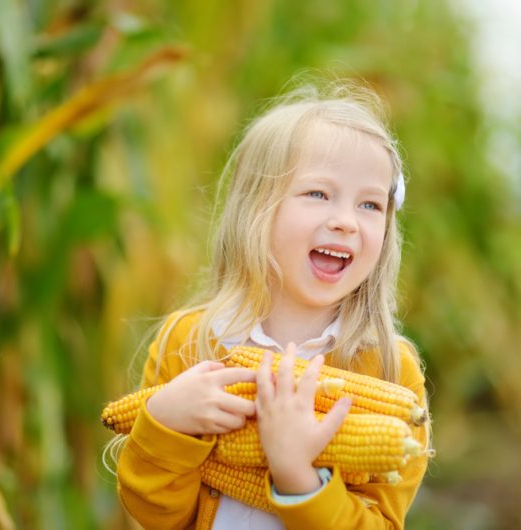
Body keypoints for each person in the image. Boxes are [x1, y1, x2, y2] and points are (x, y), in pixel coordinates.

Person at [111, 79, 430, 529]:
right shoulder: (188, 343)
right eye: (318, 194)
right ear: (256, 208)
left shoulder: (391, 370)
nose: (345, 222)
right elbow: (156, 516)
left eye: (371, 205)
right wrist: (163, 424)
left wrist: (298, 474)